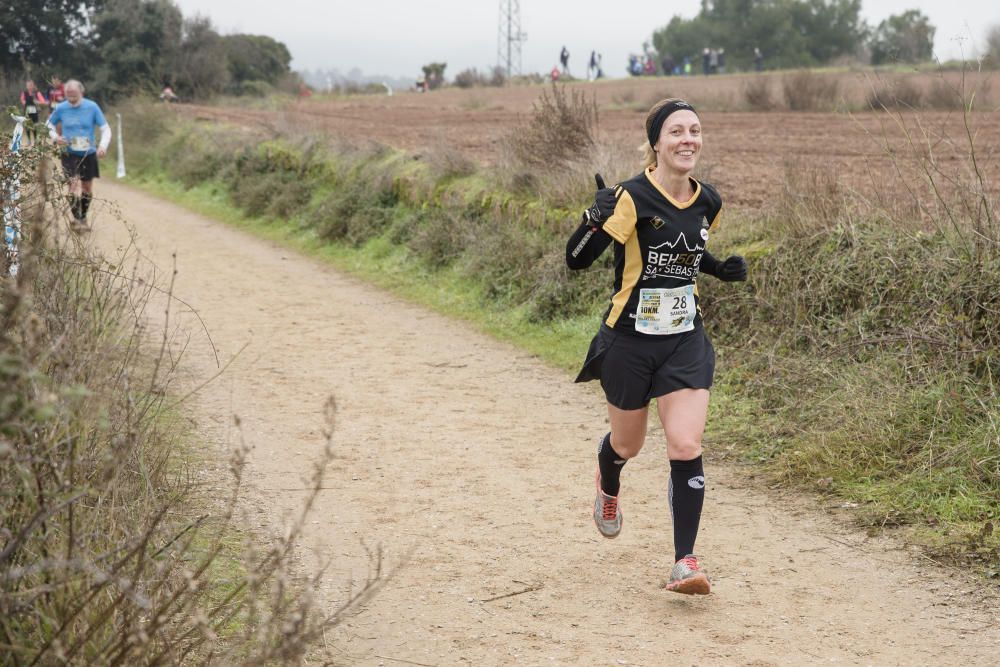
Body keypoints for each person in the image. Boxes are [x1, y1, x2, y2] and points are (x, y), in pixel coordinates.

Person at [564, 98, 748, 595]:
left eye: (695, 130)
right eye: (676, 132)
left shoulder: (708, 199)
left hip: (684, 341)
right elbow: (578, 261)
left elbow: (682, 250)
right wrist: (591, 219)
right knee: (628, 444)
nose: (688, 139)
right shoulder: (630, 197)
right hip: (628, 341)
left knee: (685, 445)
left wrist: (716, 268)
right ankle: (608, 485)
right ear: (656, 144)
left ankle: (684, 561)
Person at [46, 79, 111, 229]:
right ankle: (76, 219)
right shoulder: (61, 108)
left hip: (88, 153)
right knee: (73, 185)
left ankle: (83, 217)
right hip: (69, 153)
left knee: (87, 188)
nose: (72, 97)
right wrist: (56, 137)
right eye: (68, 94)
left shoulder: (92, 107)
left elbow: (105, 129)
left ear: (81, 92)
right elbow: (48, 124)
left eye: (74, 94)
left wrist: (102, 146)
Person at [19, 80, 48, 145]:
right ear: (26, 86)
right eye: (28, 85)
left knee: (35, 126)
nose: (30, 87)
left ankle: (35, 140)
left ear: (33, 85)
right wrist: (24, 102)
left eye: (31, 85)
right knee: (27, 126)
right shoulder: (24, 93)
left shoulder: (37, 93)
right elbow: (22, 100)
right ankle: (29, 140)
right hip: (27, 112)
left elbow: (43, 101)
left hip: (35, 112)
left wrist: (37, 102)